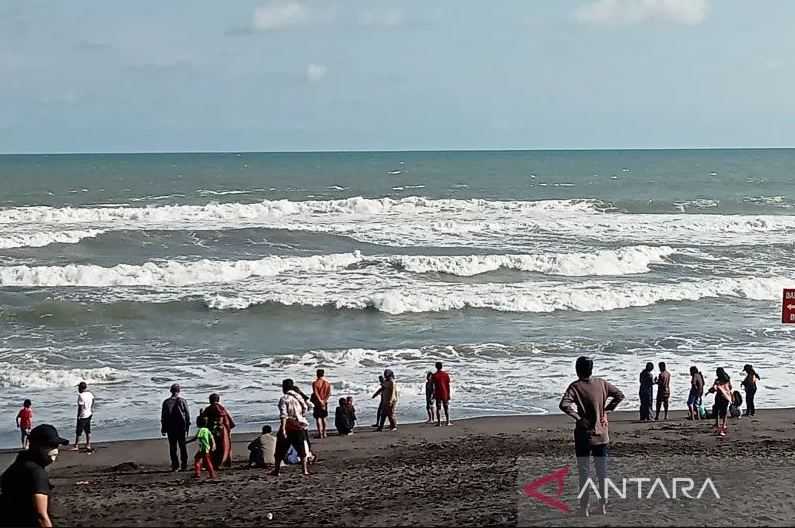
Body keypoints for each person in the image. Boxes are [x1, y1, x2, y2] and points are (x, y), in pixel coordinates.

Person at [559, 356, 625, 518]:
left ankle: (584, 508)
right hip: (602, 434)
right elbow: (619, 395)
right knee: (602, 472)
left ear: (577, 369)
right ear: (591, 369)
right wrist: (606, 411)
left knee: (584, 473)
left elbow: (564, 404)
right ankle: (602, 505)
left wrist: (578, 418)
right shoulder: (601, 383)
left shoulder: (575, 387)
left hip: (584, 436)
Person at [0, 424, 68, 527]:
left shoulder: (18, 465)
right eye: (51, 446)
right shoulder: (37, 473)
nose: (55, 450)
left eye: (56, 446)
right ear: (37, 447)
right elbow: (40, 516)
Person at [273, 379, 310, 476]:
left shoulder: (284, 398)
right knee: (301, 448)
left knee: (280, 448)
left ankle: (277, 470)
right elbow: (307, 407)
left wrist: (283, 429)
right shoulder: (299, 397)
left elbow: (283, 415)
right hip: (299, 424)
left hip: (289, 423)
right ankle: (304, 470)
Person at [161, 383, 190, 472]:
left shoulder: (166, 402)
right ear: (179, 391)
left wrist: (163, 428)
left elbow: (164, 416)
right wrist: (187, 427)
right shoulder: (183, 401)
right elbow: (187, 415)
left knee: (173, 447)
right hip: (181, 427)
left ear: (171, 391)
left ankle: (175, 466)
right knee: (182, 446)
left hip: (171, 428)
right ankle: (184, 465)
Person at [203, 393, 235, 469]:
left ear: (210, 400)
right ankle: (224, 462)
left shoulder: (209, 408)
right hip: (223, 430)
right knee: (224, 446)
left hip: (213, 430)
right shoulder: (222, 408)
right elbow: (229, 421)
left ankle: (215, 463)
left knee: (214, 447)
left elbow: (204, 420)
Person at [187, 415, 216, 479]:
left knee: (203, 461)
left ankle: (201, 474)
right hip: (206, 448)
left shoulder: (201, 430)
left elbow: (195, 438)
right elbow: (211, 438)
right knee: (199, 459)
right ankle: (209, 474)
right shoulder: (207, 430)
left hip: (203, 449)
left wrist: (187, 442)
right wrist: (213, 445)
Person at [707, 367, 733, 437]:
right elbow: (731, 387)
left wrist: (709, 391)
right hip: (726, 397)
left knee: (717, 410)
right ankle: (724, 424)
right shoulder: (727, 380)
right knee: (724, 411)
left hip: (719, 396)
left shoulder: (717, 381)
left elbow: (714, 389)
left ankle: (717, 423)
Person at [73, 381, 94, 452]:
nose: (78, 389)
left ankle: (76, 445)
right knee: (88, 430)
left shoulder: (81, 395)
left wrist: (79, 415)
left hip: (83, 415)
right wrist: (90, 408)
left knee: (79, 431)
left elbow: (80, 407)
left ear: (80, 388)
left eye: (78, 387)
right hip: (89, 413)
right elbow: (93, 401)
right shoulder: (89, 393)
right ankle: (88, 444)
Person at [311, 369, 332, 439]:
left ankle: (320, 433)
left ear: (317, 374)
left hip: (317, 402)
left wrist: (320, 401)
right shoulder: (327, 383)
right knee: (324, 418)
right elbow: (329, 393)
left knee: (318, 418)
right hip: (324, 402)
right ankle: (325, 432)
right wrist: (324, 401)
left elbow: (316, 393)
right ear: (323, 374)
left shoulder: (315, 383)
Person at [431, 362, 452, 426]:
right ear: (441, 367)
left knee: (438, 408)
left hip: (438, 393)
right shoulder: (446, 374)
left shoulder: (434, 375)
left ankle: (439, 422)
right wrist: (448, 394)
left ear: (436, 367)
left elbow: (433, 386)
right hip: (445, 392)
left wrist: (433, 394)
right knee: (446, 407)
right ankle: (448, 422)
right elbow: (448, 385)